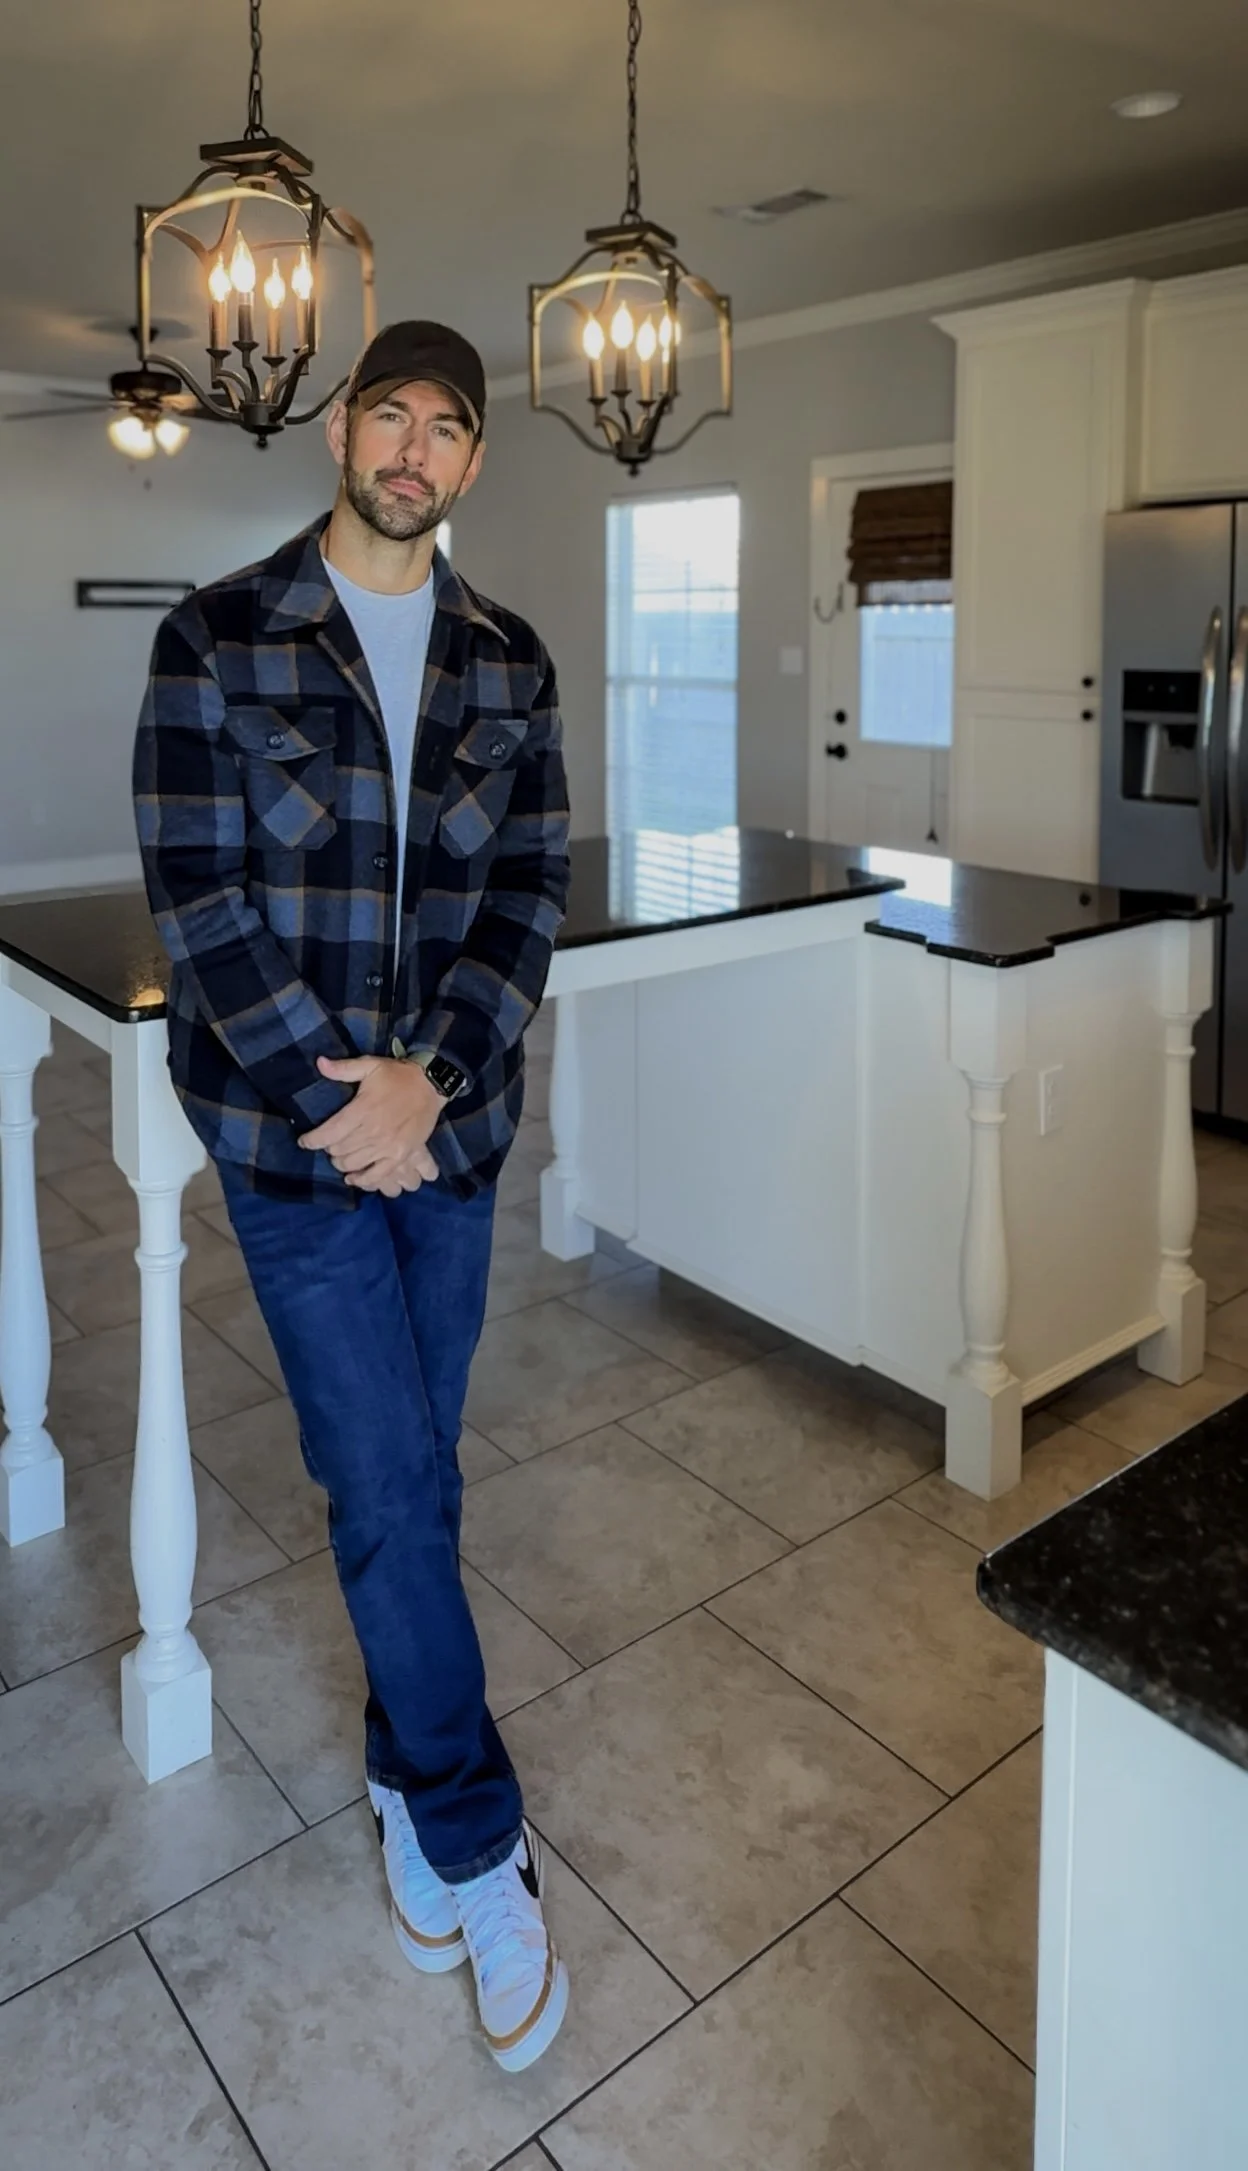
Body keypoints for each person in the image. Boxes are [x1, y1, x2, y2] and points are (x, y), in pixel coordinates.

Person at [132, 321, 572, 2073]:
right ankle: (475, 1834)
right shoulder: (216, 635)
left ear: (472, 462)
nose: (412, 448)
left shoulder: (511, 660)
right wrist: (345, 1104)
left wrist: (430, 1082)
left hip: (450, 1136)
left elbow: (531, 889)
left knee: (417, 1472)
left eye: (446, 427)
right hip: (291, 1146)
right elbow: (200, 900)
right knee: (386, 1476)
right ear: (339, 426)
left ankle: (398, 1774)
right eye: (389, 412)